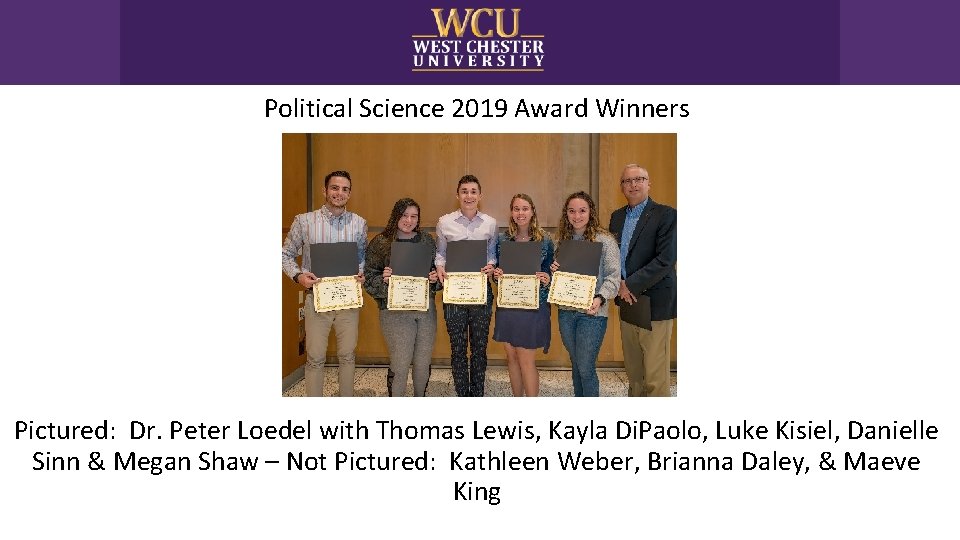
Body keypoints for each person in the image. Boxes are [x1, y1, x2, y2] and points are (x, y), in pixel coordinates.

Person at [281, 170, 367, 397]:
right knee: (315, 358)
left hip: (348, 301)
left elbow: (361, 258)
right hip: (316, 300)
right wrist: (298, 276)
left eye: (345, 189)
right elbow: (285, 254)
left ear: (350, 193)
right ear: (325, 190)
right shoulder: (304, 221)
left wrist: (361, 273)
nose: (339, 193)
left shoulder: (359, 223)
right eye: (335, 188)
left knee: (348, 356)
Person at [609, 164, 677, 397]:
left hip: (654, 302)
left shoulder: (666, 215)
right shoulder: (616, 217)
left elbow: (666, 259)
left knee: (655, 376)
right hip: (626, 302)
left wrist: (629, 284)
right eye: (628, 181)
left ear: (649, 183)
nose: (634, 184)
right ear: (621, 187)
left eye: (639, 179)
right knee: (634, 372)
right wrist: (617, 282)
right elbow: (612, 255)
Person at [364, 198, 440, 397]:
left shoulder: (427, 241)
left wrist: (434, 278)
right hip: (394, 312)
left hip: (425, 310)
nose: (409, 220)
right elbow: (368, 276)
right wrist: (384, 279)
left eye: (414, 216)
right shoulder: (381, 242)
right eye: (404, 215)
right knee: (400, 360)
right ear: (395, 216)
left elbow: (438, 273)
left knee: (423, 360)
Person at [551, 191, 620, 397]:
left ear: (591, 212)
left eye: (582, 210)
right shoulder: (562, 241)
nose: (577, 216)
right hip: (566, 312)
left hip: (592, 314)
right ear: (566, 214)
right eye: (572, 211)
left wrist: (599, 299)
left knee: (586, 367)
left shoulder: (605, 240)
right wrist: (554, 271)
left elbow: (614, 277)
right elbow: (557, 279)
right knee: (576, 363)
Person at [435, 175, 498, 397]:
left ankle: (477, 395)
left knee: (480, 348)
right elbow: (440, 253)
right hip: (454, 293)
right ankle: (463, 395)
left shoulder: (490, 223)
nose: (468, 196)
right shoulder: (445, 222)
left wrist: (491, 265)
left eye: (473, 191)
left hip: (481, 293)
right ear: (457, 195)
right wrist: (440, 266)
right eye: (464, 191)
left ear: (480, 195)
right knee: (458, 348)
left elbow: (492, 255)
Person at [492, 194, 553, 397]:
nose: (521, 213)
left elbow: (553, 272)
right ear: (511, 212)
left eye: (525, 208)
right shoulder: (502, 240)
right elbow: (496, 272)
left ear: (532, 211)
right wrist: (497, 274)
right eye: (516, 209)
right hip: (508, 306)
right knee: (512, 358)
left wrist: (547, 278)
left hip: (533, 307)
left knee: (526, 360)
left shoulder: (545, 240)